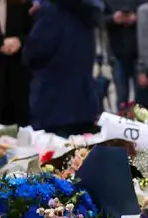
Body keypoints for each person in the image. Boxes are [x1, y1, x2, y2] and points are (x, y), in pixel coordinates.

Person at [24, 0, 101, 136]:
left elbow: (35, 52)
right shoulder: (88, 10)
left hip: (52, 103)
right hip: (84, 103)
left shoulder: (51, 10)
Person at [104, 0, 144, 111]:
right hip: (117, 53)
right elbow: (98, 19)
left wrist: (138, 18)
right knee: (122, 97)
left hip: (139, 54)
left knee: (141, 98)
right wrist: (113, 19)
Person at [0, 0, 32, 126]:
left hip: (18, 73)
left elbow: (34, 31)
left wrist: (19, 41)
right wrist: (1, 44)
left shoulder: (22, 3)